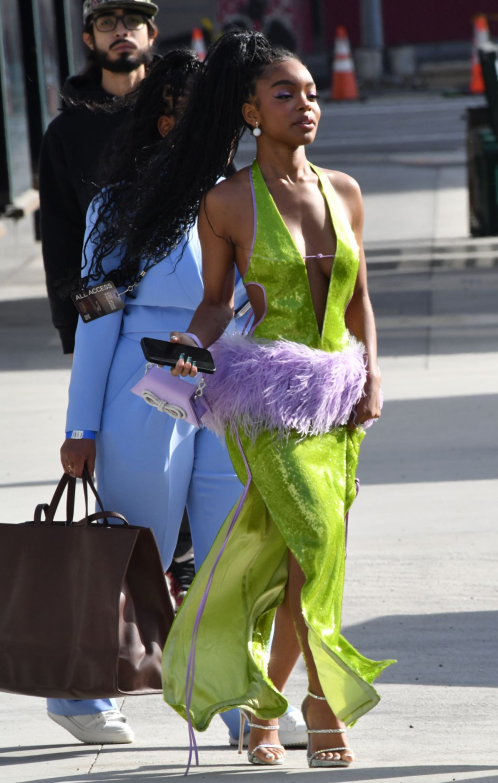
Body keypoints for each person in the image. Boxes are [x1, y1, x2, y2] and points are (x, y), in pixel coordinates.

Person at [90, 30, 395, 769]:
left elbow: (360, 300)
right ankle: (323, 709)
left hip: (340, 402)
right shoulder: (226, 202)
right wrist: (186, 356)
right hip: (268, 405)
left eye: (313, 92)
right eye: (285, 94)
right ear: (252, 112)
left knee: (298, 564)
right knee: (318, 544)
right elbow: (216, 304)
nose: (306, 105)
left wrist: (374, 374)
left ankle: (262, 712)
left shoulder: (345, 192)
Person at [52, 49, 307, 751]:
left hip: (227, 392)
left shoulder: (245, 195)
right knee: (138, 550)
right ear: (164, 121)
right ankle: (79, 692)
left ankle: (231, 700)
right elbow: (97, 317)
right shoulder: (118, 204)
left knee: (231, 553)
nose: (224, 133)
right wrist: (82, 426)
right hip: (147, 392)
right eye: (200, 118)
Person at [39, 0, 159, 356]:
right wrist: (85, 330)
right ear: (89, 39)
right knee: (105, 408)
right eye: (107, 22)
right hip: (109, 303)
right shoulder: (66, 132)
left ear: (151, 34)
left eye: (133, 20)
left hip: (188, 302)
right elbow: (62, 236)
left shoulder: (182, 113)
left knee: (186, 410)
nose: (121, 30)